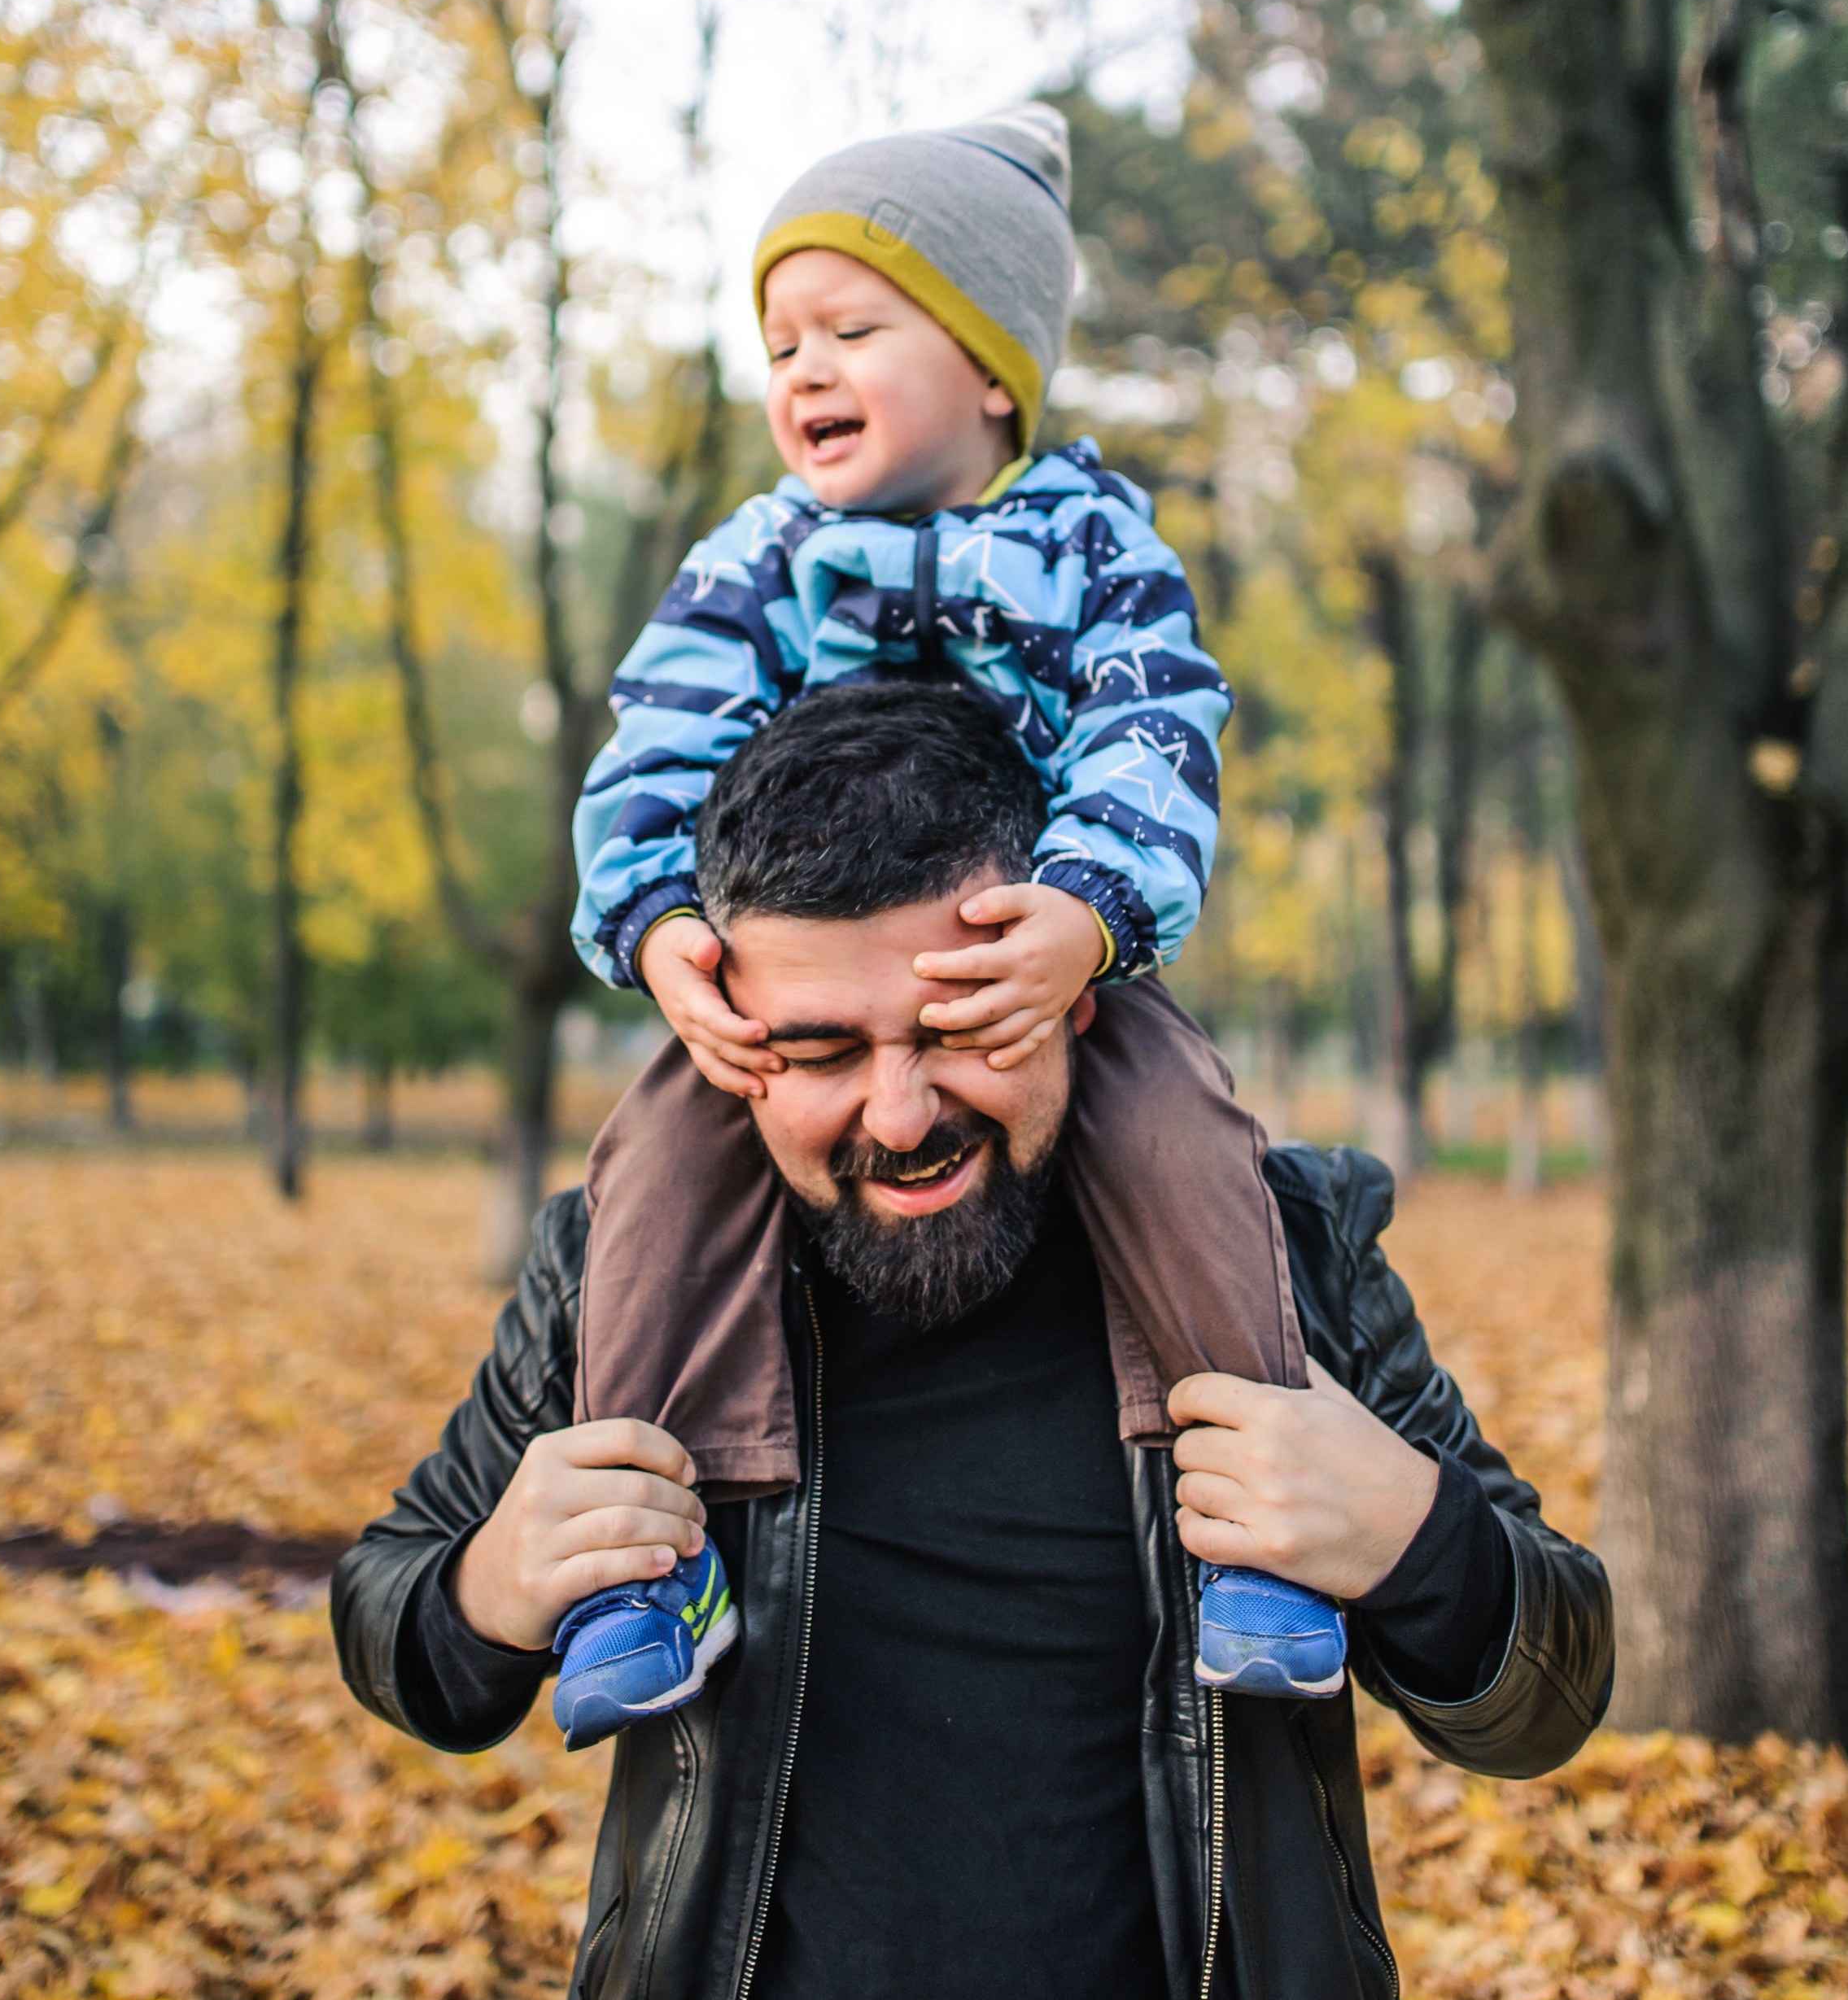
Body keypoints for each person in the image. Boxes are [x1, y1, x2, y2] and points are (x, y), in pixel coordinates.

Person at [332, 675, 1613, 2000]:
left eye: (953, 1029)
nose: (898, 1110)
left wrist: (1412, 1538)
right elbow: (392, 1615)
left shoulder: (1272, 1270)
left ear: (1067, 989)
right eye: (818, 1050)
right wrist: (490, 1585)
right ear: (731, 1043)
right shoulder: (630, 1296)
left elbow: (1553, 1685)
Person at [560, 101, 1337, 1743]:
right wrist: (653, 925)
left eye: (852, 327)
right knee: (650, 1175)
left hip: (1032, 964)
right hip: (787, 993)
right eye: (778, 340)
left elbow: (1153, 725)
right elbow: (659, 733)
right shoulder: (757, 558)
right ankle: (638, 1549)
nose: (802, 370)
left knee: (1182, 1139)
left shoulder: (1091, 545)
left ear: (990, 369)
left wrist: (1091, 907)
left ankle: (1262, 1528)